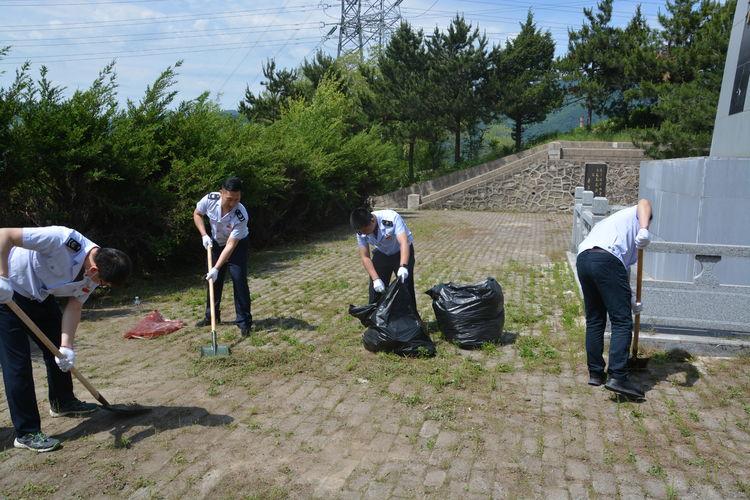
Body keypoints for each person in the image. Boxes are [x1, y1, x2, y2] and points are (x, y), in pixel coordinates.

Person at [0, 226, 132, 452]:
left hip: (39, 296)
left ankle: (63, 402)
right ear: (93, 269)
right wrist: (1, 277)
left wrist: (67, 347)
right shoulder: (61, 239)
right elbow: (5, 234)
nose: (99, 287)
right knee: (18, 364)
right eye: (102, 283)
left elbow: (74, 306)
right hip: (6, 294)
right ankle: (27, 432)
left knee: (57, 352)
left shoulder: (93, 274)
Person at [576, 199, 652, 399]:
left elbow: (619, 274)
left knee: (595, 320)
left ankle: (595, 373)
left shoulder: (612, 225)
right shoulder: (636, 217)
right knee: (621, 321)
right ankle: (618, 375)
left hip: (584, 259)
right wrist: (644, 228)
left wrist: (632, 299)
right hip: (607, 259)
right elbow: (645, 202)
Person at [193, 176, 252, 337]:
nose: (233, 203)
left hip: (237, 246)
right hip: (215, 243)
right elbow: (197, 214)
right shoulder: (210, 199)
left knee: (238, 279)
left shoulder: (241, 215)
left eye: (237, 199)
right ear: (221, 193)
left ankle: (244, 322)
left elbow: (231, 245)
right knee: (214, 281)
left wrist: (217, 267)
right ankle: (211, 316)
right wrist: (204, 235)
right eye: (229, 199)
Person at [350, 207, 417, 311]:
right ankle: (375, 321)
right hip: (382, 252)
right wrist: (375, 279)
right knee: (375, 290)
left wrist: (403, 266)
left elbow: (403, 242)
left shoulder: (391, 217)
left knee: (405, 286)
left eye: (366, 231)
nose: (364, 234)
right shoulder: (361, 231)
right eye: (361, 232)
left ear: (372, 220)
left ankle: (413, 320)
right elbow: (365, 257)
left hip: (401, 251)